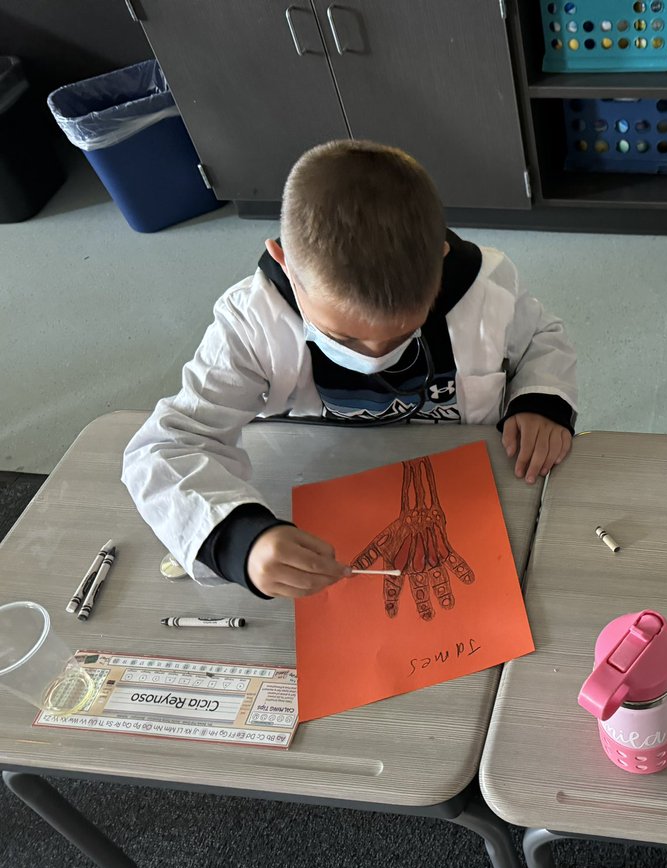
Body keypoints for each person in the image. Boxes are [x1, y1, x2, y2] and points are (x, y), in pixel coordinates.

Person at [124, 140, 578, 599]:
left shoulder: (485, 288)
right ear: (287, 265)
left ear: (440, 262)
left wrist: (541, 399)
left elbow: (542, 339)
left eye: (405, 331)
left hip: (467, 487)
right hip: (317, 484)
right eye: (343, 338)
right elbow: (163, 448)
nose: (376, 355)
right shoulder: (251, 322)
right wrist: (241, 540)